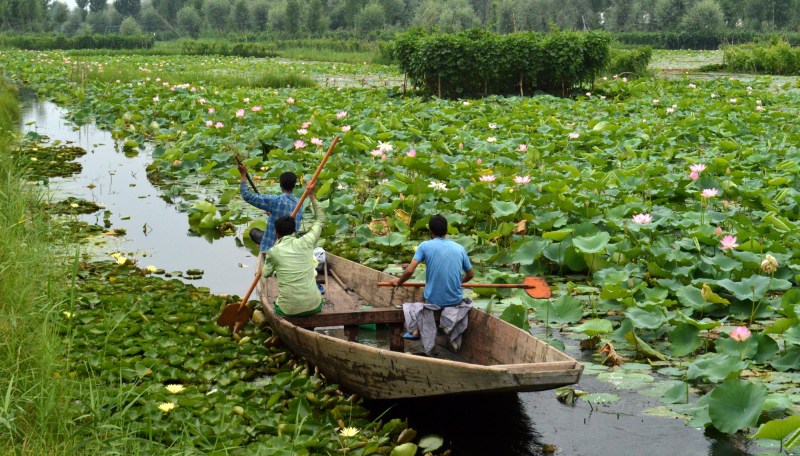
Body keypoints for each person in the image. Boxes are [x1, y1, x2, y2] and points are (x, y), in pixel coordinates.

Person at [389, 214, 474, 345]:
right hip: (455, 300)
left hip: (434, 300)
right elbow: (470, 275)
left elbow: (410, 270)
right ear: (446, 230)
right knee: (431, 293)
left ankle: (416, 331)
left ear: (430, 231)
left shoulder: (424, 246)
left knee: (424, 298)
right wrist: (457, 283)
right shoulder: (460, 248)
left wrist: (399, 282)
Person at [261, 181, 326, 317]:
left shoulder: (274, 251)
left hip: (288, 310)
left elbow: (266, 273)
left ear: (277, 234)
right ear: (294, 230)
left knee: (278, 305)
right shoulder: (307, 241)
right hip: (314, 306)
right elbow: (320, 219)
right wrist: (312, 196)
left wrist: (271, 256)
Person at [238, 163, 304, 254]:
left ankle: (263, 247)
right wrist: (272, 214)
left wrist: (243, 175)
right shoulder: (299, 203)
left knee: (253, 232)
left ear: (280, 185)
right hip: (291, 247)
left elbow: (247, 196)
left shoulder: (276, 201)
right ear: (294, 186)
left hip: (273, 247)